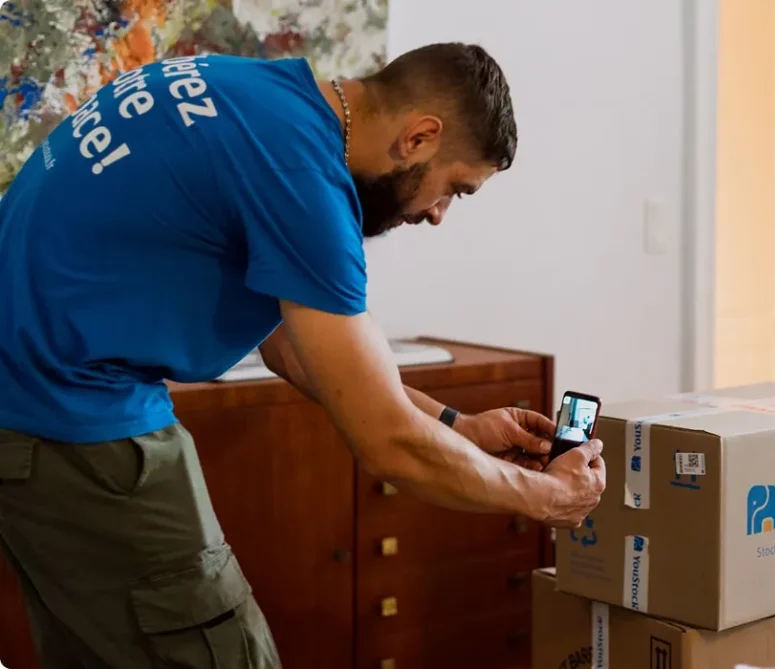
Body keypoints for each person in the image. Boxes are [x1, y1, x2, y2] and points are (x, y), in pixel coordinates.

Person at [0, 43, 606, 668]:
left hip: (26, 411)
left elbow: (297, 349)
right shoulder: (301, 177)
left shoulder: (250, 91)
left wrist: (460, 427)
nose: (438, 215)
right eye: (455, 189)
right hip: (74, 416)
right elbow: (388, 443)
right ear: (421, 137)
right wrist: (545, 500)